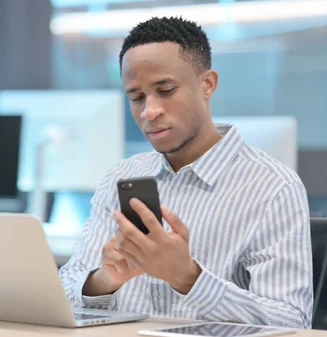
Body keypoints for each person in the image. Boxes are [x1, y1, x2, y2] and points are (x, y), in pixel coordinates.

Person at [58, 16, 313, 329]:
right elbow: (65, 290)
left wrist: (189, 278)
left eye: (165, 90)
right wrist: (103, 281)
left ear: (207, 84)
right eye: (136, 97)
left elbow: (292, 322)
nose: (149, 111)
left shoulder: (273, 187)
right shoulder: (121, 177)